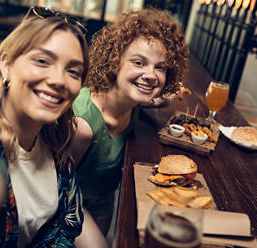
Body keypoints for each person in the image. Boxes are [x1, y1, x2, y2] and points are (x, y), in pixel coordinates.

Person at [0, 7, 90, 248]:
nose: (58, 80)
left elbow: (68, 226)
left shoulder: (57, 146)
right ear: (7, 66)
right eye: (42, 61)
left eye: (73, 71)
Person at [72, 7, 189, 245]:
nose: (150, 75)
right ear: (115, 62)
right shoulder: (83, 125)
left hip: (105, 204)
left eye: (161, 67)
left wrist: (169, 94)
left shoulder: (134, 102)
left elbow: (157, 97)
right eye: (139, 62)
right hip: (71, 205)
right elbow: (56, 187)